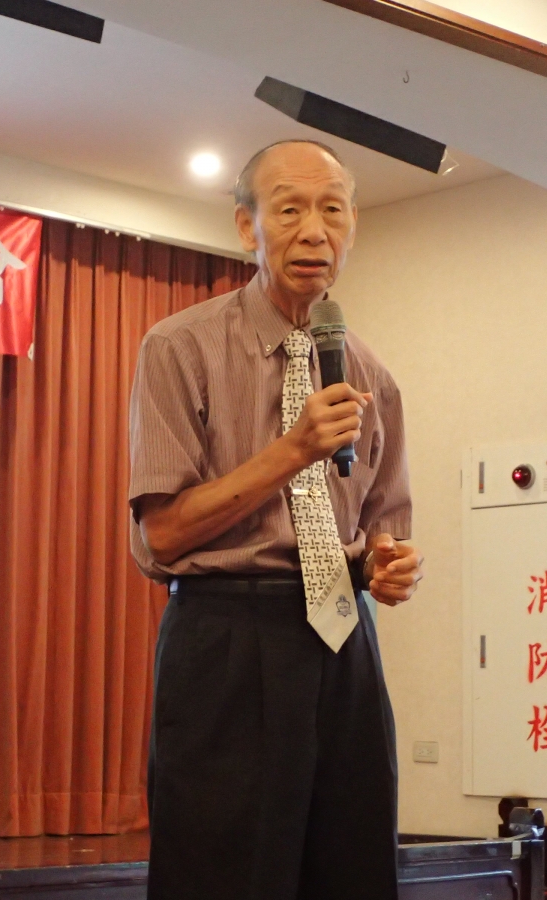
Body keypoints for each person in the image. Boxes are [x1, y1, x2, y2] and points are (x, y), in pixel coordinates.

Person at [129, 139, 424, 900]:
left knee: (355, 872)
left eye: (333, 211)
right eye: (290, 210)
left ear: (352, 226)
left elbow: (382, 527)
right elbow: (161, 535)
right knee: (224, 876)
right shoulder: (179, 347)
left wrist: (388, 565)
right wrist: (292, 451)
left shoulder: (372, 375)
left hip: (345, 639)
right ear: (246, 226)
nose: (314, 232)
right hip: (228, 635)